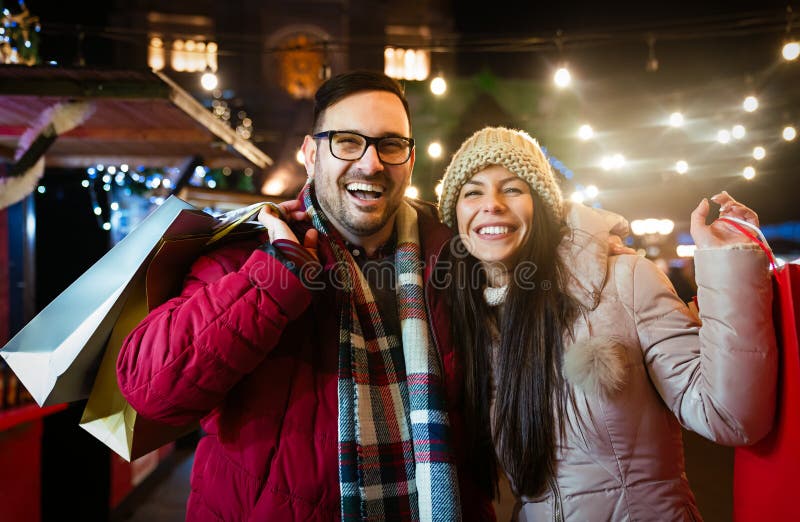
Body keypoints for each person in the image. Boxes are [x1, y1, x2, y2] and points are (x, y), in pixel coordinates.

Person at [117, 70, 500, 521]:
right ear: (310, 153)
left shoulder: (455, 256)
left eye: (390, 145)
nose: (371, 164)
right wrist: (275, 276)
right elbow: (150, 388)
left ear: (409, 162)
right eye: (347, 141)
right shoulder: (248, 250)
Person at [435, 126, 777, 521]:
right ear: (455, 215)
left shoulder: (625, 281)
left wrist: (727, 264)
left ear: (542, 206)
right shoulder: (471, 321)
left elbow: (730, 416)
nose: (491, 204)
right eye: (472, 191)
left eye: (512, 188)